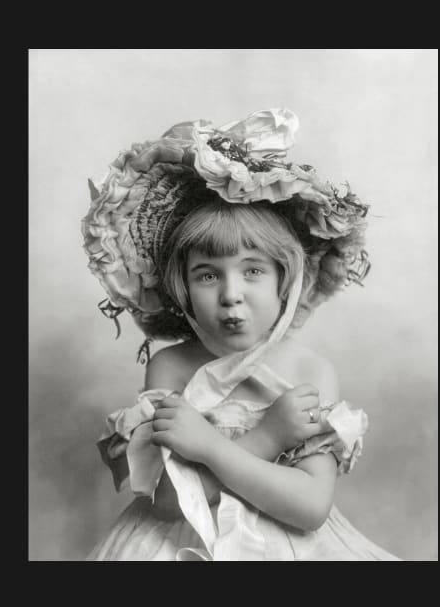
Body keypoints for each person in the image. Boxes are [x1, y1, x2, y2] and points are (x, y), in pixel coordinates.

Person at [82, 108, 400, 560]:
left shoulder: (308, 371)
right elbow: (170, 505)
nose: (232, 295)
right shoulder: (171, 367)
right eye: (208, 276)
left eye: (252, 271)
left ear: (283, 282)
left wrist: (209, 448)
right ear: (183, 288)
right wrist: (265, 439)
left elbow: (309, 508)